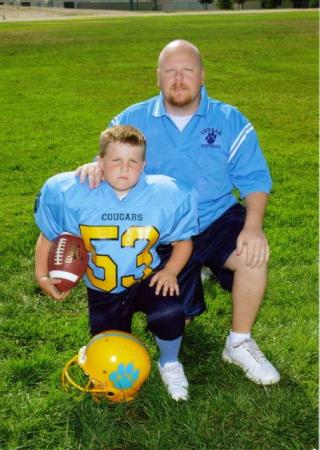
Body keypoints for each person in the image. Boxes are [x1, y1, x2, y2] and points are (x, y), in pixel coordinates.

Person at [76, 40, 280, 386]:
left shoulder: (229, 119)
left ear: (201, 76)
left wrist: (254, 227)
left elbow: (255, 178)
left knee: (252, 256)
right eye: (170, 71)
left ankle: (239, 342)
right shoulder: (132, 118)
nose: (178, 79)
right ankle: (191, 284)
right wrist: (93, 169)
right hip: (164, 229)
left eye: (187, 70)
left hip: (216, 216)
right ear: (157, 77)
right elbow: (111, 158)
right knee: (172, 320)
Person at [34, 124, 200, 401]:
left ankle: (170, 363)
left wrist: (171, 270)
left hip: (145, 275)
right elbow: (48, 235)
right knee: (109, 342)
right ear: (99, 162)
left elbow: (183, 241)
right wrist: (41, 275)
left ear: (144, 165)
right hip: (103, 287)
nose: (125, 169)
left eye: (133, 162)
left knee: (169, 313)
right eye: (116, 161)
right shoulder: (72, 192)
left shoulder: (165, 194)